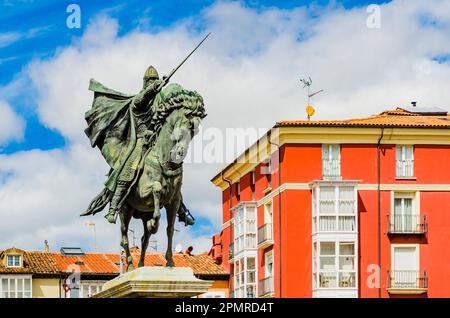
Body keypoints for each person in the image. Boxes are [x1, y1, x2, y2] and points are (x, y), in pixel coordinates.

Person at [82, 65, 195, 226]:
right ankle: (113, 208)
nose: (153, 83)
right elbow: (142, 99)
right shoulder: (138, 102)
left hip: (157, 141)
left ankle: (181, 209)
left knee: (172, 172)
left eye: (154, 81)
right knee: (128, 168)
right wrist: (155, 87)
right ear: (146, 83)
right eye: (151, 81)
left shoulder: (158, 104)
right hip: (140, 142)